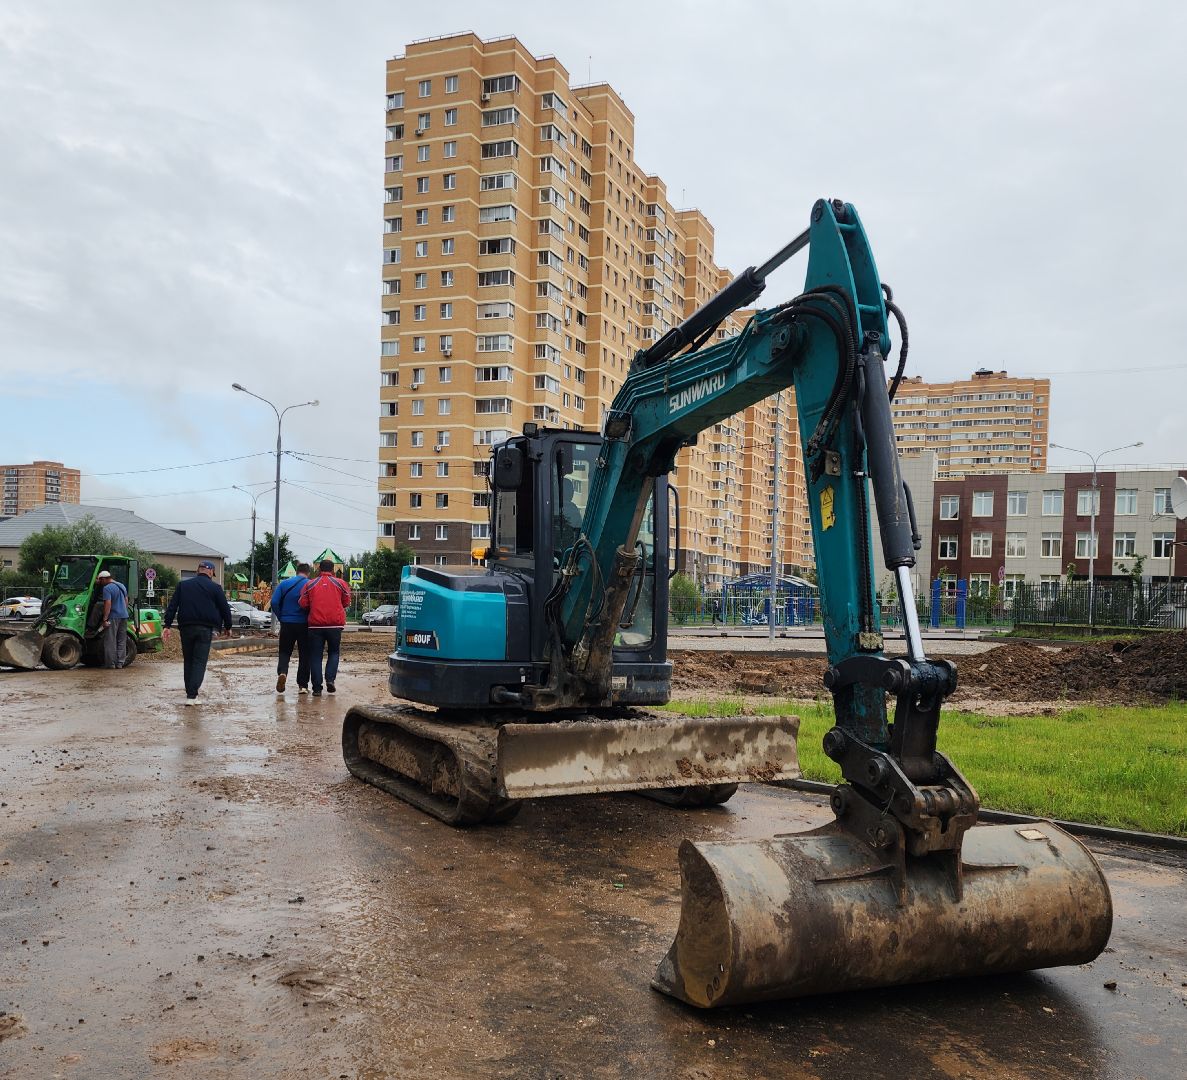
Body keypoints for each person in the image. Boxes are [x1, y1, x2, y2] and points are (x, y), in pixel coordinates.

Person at [163, 560, 233, 705]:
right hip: (205, 628)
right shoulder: (215, 588)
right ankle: (192, 695)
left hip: (186, 627)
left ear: (198, 570)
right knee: (199, 661)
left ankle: (190, 692)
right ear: (211, 572)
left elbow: (172, 605)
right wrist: (228, 626)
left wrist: (167, 625)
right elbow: (224, 608)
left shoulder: (183, 585)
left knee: (188, 660)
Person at [299, 558, 351, 696]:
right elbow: (346, 601)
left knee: (315, 656)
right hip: (335, 625)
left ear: (319, 569)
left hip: (315, 626)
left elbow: (303, 603)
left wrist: (314, 607)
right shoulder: (341, 583)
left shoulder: (310, 584)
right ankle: (330, 680)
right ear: (333, 570)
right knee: (334, 652)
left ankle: (317, 688)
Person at [270, 562, 311, 694]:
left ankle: (283, 673)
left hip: (287, 623)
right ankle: (303, 686)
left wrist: (282, 616)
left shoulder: (284, 584)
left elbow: (274, 602)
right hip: (304, 624)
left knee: (284, 652)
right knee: (305, 654)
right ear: (308, 573)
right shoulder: (310, 584)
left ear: (296, 572)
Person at [97, 569, 130, 668]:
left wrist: (105, 618)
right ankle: (120, 663)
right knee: (121, 640)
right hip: (124, 616)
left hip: (113, 617)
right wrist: (123, 610)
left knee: (110, 641)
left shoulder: (107, 588)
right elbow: (126, 600)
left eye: (100, 580)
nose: (100, 583)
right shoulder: (121, 586)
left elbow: (108, 603)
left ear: (104, 579)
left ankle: (111, 664)